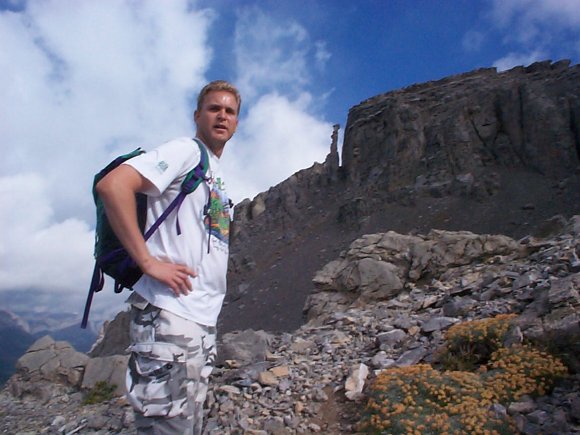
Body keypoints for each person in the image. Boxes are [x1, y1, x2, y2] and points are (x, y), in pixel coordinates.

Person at [95, 80, 241, 434]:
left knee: (186, 424)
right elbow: (113, 186)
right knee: (164, 426)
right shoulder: (186, 151)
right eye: (214, 109)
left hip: (200, 321)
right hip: (169, 315)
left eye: (230, 111)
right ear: (197, 115)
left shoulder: (217, 173)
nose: (222, 116)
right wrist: (147, 261)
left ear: (236, 122)